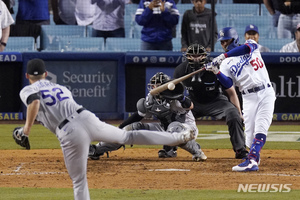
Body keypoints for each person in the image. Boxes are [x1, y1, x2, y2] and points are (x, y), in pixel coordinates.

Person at [16, 58, 195, 200]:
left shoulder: (27, 89)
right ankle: (177, 138)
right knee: (126, 137)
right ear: (46, 74)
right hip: (86, 117)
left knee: (79, 182)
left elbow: (35, 102)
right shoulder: (59, 87)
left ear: (27, 76)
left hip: (69, 132)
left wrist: (25, 130)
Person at [89, 72, 207, 161]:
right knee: (132, 128)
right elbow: (137, 116)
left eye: (157, 86)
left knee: (174, 126)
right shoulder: (150, 99)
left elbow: (190, 105)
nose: (153, 88)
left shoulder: (175, 98)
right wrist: (119, 128)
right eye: (153, 85)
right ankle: (97, 150)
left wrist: (180, 97)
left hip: (186, 129)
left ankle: (197, 151)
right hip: (164, 129)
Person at [205, 27, 276, 172]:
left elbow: (246, 48)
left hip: (265, 91)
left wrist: (224, 56)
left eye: (227, 40)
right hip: (248, 97)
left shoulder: (250, 44)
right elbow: (228, 84)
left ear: (235, 39)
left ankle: (251, 160)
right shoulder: (225, 63)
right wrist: (216, 71)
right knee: (249, 137)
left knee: (261, 126)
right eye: (222, 42)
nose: (224, 44)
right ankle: (254, 156)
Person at [174, 44, 248, 159]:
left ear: (205, 56)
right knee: (174, 116)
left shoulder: (215, 67)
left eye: (199, 55)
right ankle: (169, 149)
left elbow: (231, 92)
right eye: (193, 56)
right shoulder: (181, 70)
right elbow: (175, 93)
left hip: (216, 101)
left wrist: (239, 112)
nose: (196, 58)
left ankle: (240, 150)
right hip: (193, 102)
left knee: (233, 114)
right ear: (187, 56)